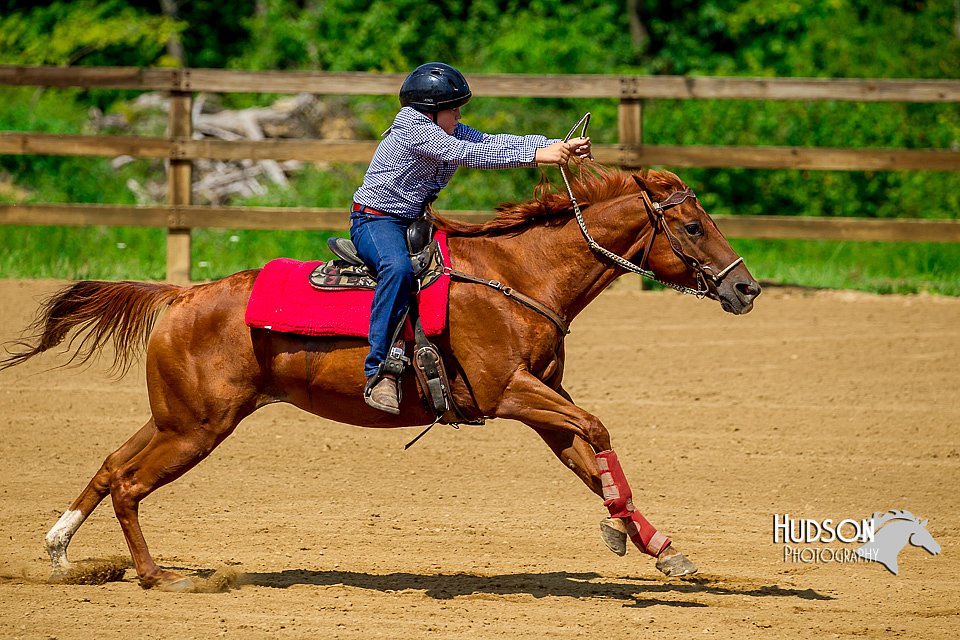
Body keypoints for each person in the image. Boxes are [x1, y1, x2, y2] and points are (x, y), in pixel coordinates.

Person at [350, 62, 591, 414]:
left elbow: (491, 141)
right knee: (397, 269)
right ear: (430, 112)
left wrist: (557, 146)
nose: (459, 114)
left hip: (414, 220)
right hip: (376, 221)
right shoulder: (413, 131)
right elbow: (468, 154)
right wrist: (539, 156)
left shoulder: (446, 129)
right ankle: (378, 371)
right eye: (454, 108)